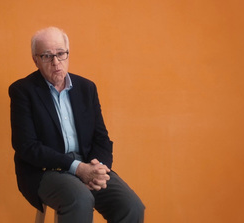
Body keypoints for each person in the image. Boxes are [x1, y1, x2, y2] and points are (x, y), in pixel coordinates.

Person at [9, 27, 145, 223]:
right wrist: (77, 168)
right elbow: (27, 147)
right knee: (79, 198)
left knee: (131, 206)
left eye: (61, 54)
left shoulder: (86, 88)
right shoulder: (22, 91)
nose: (56, 62)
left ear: (68, 53)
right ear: (35, 59)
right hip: (46, 171)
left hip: (88, 164)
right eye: (47, 56)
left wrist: (98, 169)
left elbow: (101, 138)